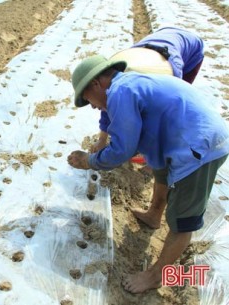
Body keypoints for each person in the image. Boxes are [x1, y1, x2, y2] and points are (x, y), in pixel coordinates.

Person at [67, 55, 229, 293]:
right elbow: (147, 142)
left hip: (199, 148)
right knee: (160, 170)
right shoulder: (129, 84)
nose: (91, 105)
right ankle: (154, 214)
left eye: (86, 99)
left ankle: (156, 276)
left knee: (182, 222)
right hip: (184, 138)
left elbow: (123, 149)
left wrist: (90, 161)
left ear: (96, 84)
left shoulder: (120, 92)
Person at [87, 27, 205, 230]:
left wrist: (153, 154)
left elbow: (165, 115)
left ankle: (156, 208)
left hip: (189, 51)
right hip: (152, 48)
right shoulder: (116, 78)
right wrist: (102, 140)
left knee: (165, 134)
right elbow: (108, 107)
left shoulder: (169, 74)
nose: (92, 106)